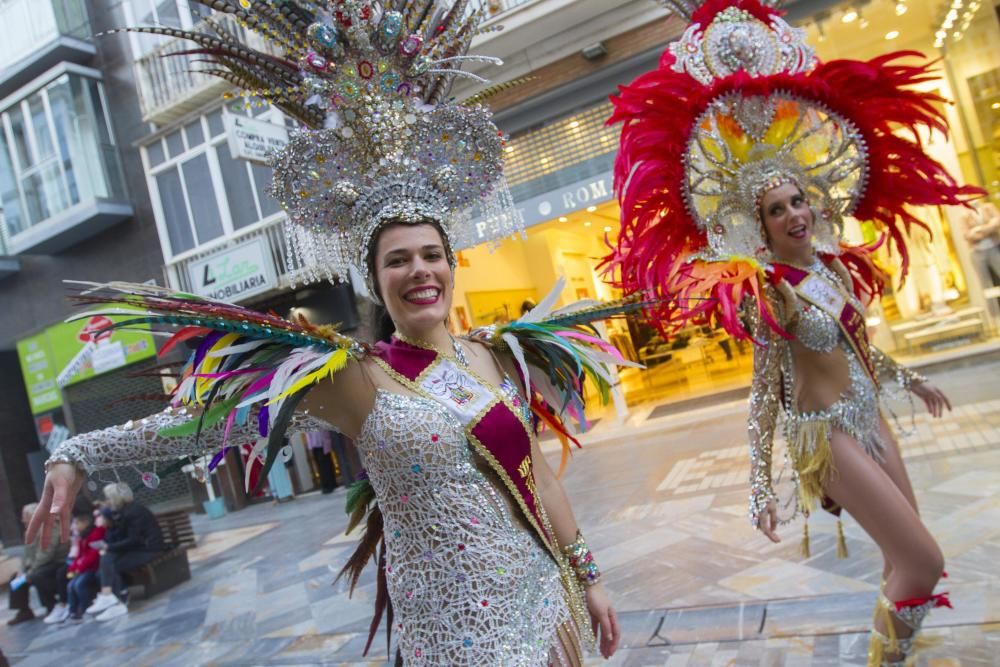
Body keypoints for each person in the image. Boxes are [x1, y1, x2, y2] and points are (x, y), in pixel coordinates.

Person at [27, 2, 628, 664]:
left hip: (544, 605)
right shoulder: (355, 377)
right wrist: (79, 452)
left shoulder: (493, 355)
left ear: (451, 264)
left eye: (431, 254)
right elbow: (216, 422)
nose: (419, 270)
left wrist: (590, 578)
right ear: (374, 279)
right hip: (455, 639)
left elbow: (538, 474)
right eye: (397, 259)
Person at [605, 1, 980, 665]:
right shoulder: (770, 289)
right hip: (824, 434)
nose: (794, 214)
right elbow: (762, 391)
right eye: (777, 209)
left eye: (798, 200)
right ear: (764, 224)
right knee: (922, 558)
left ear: (813, 201)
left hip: (870, 416)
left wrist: (911, 380)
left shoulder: (835, 268)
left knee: (913, 560)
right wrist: (758, 484)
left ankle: (898, 654)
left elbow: (859, 350)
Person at [85, 484, 165, 621]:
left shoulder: (133, 512)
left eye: (108, 498)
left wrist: (108, 547)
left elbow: (135, 540)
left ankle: (115, 601)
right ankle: (111, 599)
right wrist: (108, 526)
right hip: (137, 549)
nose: (107, 501)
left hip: (149, 550)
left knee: (110, 564)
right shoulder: (122, 511)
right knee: (105, 564)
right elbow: (119, 536)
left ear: (115, 498)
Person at [7, 503, 67, 625]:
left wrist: (30, 572)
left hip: (56, 562)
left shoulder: (51, 528)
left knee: (36, 576)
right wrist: (21, 571)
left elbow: (46, 555)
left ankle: (51, 605)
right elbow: (26, 555)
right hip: (41, 564)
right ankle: (24, 610)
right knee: (15, 578)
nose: (23, 520)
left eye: (26, 517)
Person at [45, 504, 104, 624]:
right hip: (82, 568)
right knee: (71, 585)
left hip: (92, 568)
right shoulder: (82, 536)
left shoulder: (95, 533)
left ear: (86, 522)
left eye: (77, 523)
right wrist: (73, 567)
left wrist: (79, 568)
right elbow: (79, 555)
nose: (75, 527)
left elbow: (92, 555)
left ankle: (87, 608)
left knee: (79, 584)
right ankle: (73, 612)